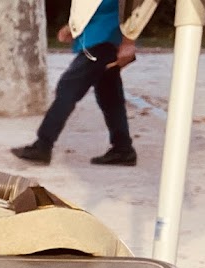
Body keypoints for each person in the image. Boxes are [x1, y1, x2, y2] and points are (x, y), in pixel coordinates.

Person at [11, 0, 138, 167]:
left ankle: (43, 145)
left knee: (68, 87)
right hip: (99, 36)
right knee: (109, 95)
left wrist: (129, 42)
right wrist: (74, 26)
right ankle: (123, 149)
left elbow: (138, 6)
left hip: (104, 38)